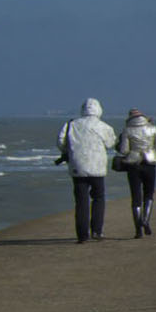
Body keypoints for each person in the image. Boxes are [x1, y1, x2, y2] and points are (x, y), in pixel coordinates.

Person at [57, 97, 118, 243]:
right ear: (98, 110)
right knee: (98, 198)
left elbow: (60, 142)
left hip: (78, 167)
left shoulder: (71, 124)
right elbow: (111, 143)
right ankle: (97, 231)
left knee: (81, 201)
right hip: (97, 168)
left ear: (82, 109)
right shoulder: (104, 126)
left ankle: (82, 235)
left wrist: (69, 151)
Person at [115, 108, 156, 237]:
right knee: (149, 194)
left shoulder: (127, 130)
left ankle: (138, 229)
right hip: (150, 163)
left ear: (130, 118)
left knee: (135, 197)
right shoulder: (152, 128)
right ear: (143, 117)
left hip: (133, 165)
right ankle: (146, 220)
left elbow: (124, 150)